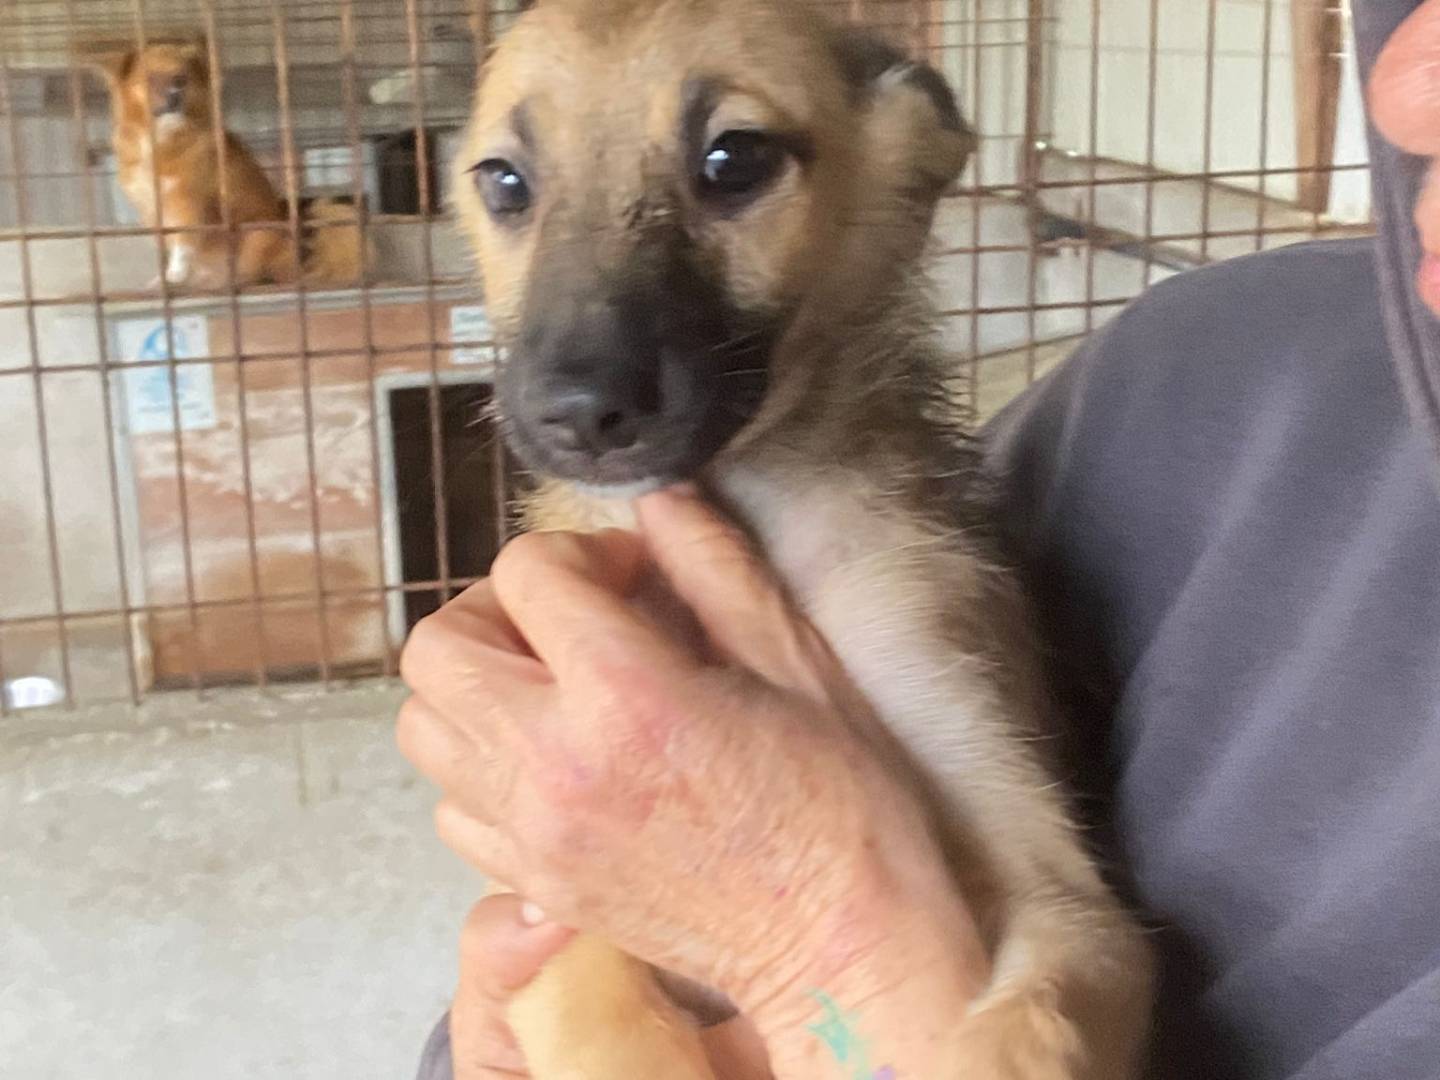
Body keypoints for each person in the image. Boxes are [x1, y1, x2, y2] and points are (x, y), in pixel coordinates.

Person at [403, 1, 1440, 1076]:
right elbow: (529, 957)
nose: (580, 372)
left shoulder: (908, 558)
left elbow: (1062, 929)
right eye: (513, 189)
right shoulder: (1198, 375)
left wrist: (821, 949)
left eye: (731, 164)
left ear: (902, 158)